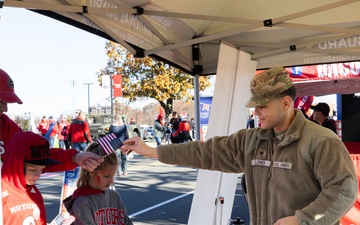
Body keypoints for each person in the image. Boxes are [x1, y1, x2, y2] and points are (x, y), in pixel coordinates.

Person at [121, 67, 358, 225]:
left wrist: (301, 220)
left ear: (286, 103)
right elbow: (205, 152)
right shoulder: (251, 139)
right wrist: (153, 151)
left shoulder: (321, 141)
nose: (255, 112)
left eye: (262, 106)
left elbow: (343, 190)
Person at [1, 131, 104, 225]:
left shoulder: (34, 193)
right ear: (16, 164)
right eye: (32, 169)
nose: (38, 175)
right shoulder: (3, 193)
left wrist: (75, 157)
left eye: (42, 169)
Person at [63, 141, 133, 225]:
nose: (111, 181)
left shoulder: (114, 196)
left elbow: (126, 222)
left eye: (113, 176)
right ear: (92, 171)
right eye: (107, 176)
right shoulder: (82, 202)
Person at [0, 68, 23, 163]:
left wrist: (72, 158)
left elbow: (32, 151)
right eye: (0, 101)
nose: (5, 109)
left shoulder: (6, 126)